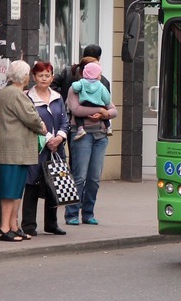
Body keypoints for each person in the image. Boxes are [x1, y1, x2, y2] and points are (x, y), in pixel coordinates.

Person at [0, 59, 47, 242]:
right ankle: (4, 228)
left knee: (16, 190)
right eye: (27, 75)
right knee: (10, 190)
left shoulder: (6, 92)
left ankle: (13, 226)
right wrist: (41, 125)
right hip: (13, 148)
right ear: (24, 77)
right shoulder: (15, 94)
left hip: (17, 149)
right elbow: (31, 117)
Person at [64, 53, 117, 227]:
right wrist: (100, 111)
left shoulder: (101, 86)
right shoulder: (75, 88)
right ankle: (71, 213)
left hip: (100, 136)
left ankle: (88, 213)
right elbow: (76, 110)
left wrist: (104, 113)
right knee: (79, 176)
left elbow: (113, 110)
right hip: (82, 135)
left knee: (94, 178)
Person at [21, 61, 70, 237]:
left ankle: (52, 224)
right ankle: (28, 225)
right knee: (32, 184)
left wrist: (60, 137)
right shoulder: (27, 97)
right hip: (36, 147)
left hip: (56, 149)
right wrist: (49, 138)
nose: (44, 78)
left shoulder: (57, 96)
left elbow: (65, 120)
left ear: (52, 77)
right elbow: (31, 120)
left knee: (54, 184)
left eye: (47, 75)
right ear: (34, 77)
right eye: (40, 75)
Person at [71, 61, 112, 140]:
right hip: (98, 104)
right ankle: (108, 127)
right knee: (105, 111)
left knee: (78, 116)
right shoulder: (100, 85)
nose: (101, 76)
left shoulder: (82, 82)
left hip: (85, 104)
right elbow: (106, 98)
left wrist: (76, 87)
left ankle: (80, 129)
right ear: (96, 75)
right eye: (100, 74)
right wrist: (105, 104)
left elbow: (75, 88)